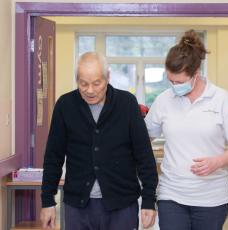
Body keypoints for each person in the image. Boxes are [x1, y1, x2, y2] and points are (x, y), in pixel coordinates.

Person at [40, 52, 158, 230]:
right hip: (78, 206)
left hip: (122, 205)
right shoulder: (65, 106)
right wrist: (48, 200)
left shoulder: (127, 104)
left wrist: (149, 200)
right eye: (83, 84)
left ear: (107, 77)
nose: (90, 90)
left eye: (97, 83)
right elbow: (53, 158)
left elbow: (144, 156)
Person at [145, 30, 228, 230]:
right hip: (171, 194)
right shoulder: (164, 100)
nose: (174, 86)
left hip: (211, 199)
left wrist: (217, 162)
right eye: (170, 80)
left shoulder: (221, 99)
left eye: (180, 82)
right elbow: (144, 137)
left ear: (196, 72)